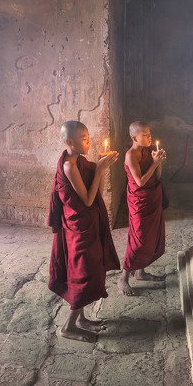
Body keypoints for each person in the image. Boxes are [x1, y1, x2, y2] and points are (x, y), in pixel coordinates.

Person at [47, 120, 120, 342]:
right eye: (85, 138)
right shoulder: (69, 166)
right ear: (70, 142)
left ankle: (81, 319)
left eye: (88, 137)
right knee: (83, 274)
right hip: (78, 229)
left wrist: (99, 166)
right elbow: (88, 200)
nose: (89, 141)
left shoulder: (79, 161)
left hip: (87, 226)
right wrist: (100, 170)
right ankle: (68, 326)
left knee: (92, 270)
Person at [118, 121, 167, 296]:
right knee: (139, 239)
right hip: (139, 200)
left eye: (150, 133)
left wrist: (159, 162)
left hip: (153, 197)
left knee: (150, 236)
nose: (149, 137)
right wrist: (154, 164)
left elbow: (157, 176)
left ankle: (140, 272)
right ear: (134, 137)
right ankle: (123, 278)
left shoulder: (148, 150)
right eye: (145, 135)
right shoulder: (131, 155)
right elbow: (139, 182)